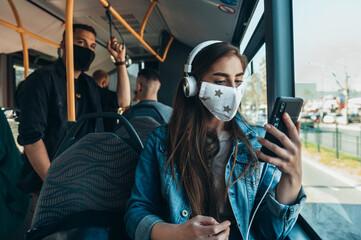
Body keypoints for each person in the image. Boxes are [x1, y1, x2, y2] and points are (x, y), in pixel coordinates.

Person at [124, 41, 306, 240]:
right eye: (220, 82)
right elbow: (136, 214)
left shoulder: (257, 144)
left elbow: (268, 232)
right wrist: (178, 234)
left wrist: (292, 180)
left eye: (238, 81)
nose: (233, 91)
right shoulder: (161, 142)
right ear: (191, 86)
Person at [17, 24, 131, 194]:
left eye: (92, 46)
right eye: (81, 42)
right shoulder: (42, 81)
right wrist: (54, 185)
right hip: (47, 184)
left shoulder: (89, 85)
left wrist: (120, 62)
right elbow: (32, 138)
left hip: (83, 180)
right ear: (63, 45)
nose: (87, 49)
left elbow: (123, 100)